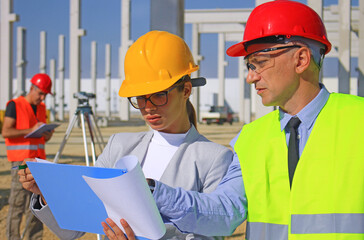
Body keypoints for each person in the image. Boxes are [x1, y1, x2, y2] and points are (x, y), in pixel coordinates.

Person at [101, 1, 364, 239]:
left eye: (259, 63)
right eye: (249, 66)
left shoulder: (358, 121)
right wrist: (150, 190)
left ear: (302, 59)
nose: (251, 77)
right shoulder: (250, 139)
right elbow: (223, 214)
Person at [19, 30, 233, 239]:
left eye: (159, 95)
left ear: (186, 90)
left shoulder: (214, 158)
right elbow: (73, 229)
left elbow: (214, 230)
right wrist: (49, 194)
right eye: (140, 97)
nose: (148, 107)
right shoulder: (118, 146)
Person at [2, 73, 53, 240]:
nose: (42, 97)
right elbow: (6, 131)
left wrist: (47, 133)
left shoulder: (42, 108)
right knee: (17, 204)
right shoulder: (14, 105)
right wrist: (31, 129)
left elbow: (42, 138)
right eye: (41, 93)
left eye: (45, 94)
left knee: (37, 204)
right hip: (21, 162)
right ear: (32, 88)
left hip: (38, 162)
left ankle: (34, 238)